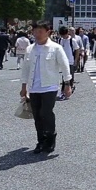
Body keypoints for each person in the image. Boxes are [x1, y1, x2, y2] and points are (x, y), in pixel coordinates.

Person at [20, 22, 72, 154]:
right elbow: (25, 69)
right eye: (35, 32)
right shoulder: (30, 49)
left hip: (49, 86)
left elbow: (65, 66)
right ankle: (41, 141)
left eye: (40, 31)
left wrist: (67, 84)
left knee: (46, 113)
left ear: (48, 32)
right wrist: (23, 87)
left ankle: (50, 138)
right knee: (37, 115)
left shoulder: (56, 48)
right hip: (34, 87)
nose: (37, 34)